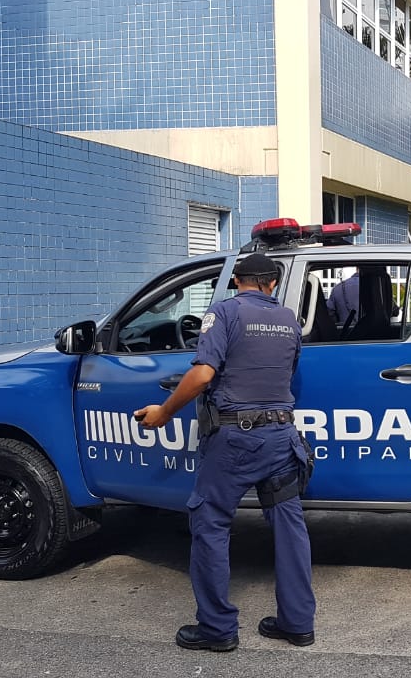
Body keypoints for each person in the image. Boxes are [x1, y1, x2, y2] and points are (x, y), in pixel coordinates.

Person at [134, 252, 317, 651]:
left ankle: (217, 630)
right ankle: (298, 623)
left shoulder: (224, 312)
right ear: (273, 283)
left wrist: (164, 412)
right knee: (290, 526)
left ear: (237, 281)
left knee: (211, 523)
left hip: (236, 440)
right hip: (281, 437)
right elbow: (286, 374)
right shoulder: (289, 319)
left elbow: (203, 374)